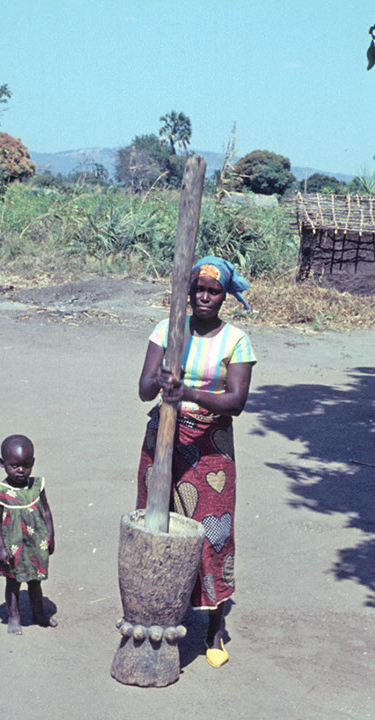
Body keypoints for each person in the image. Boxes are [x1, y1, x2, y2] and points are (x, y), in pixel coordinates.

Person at [136, 256, 256, 667]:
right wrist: (161, 381)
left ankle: (214, 628)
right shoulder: (167, 329)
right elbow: (143, 390)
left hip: (211, 445)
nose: (204, 297)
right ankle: (154, 610)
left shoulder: (237, 340)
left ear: (225, 296)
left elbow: (236, 402)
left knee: (213, 534)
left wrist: (187, 391)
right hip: (164, 437)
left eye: (214, 291)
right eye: (199, 290)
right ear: (188, 292)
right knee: (156, 523)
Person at [0, 434, 56, 635]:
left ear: (33, 463)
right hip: (13, 545)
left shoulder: (37, 486)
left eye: (26, 465)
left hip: (35, 543)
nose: (20, 470)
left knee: (35, 581)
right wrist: (0, 548)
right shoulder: (0, 493)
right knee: (13, 582)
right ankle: (14, 616)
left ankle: (39, 613)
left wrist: (51, 536)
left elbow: (47, 511)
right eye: (14, 465)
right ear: (3, 463)